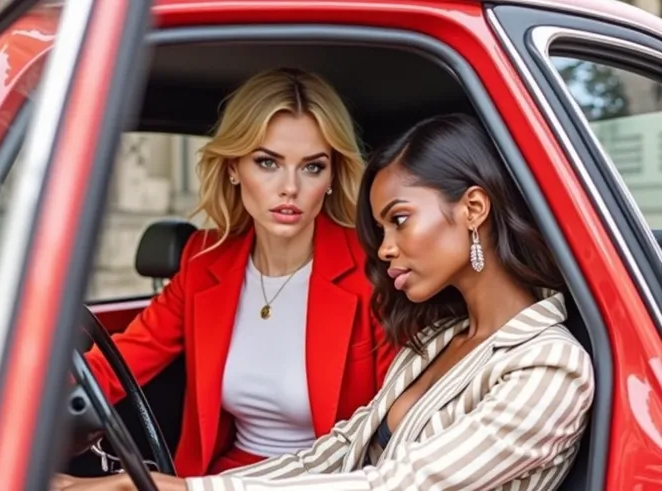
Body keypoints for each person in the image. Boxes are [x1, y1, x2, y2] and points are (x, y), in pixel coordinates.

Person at [54, 113, 594, 491]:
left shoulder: (550, 365)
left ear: (474, 207)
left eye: (399, 220)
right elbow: (336, 451)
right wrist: (169, 484)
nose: (383, 250)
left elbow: (396, 483)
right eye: (268, 163)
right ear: (234, 170)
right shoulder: (438, 340)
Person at [80, 67, 397, 478]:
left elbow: (402, 420)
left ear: (333, 176)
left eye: (312, 167)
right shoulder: (205, 261)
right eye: (267, 162)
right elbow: (120, 363)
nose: (289, 187)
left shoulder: (375, 269)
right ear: (233, 168)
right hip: (221, 478)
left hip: (329, 481)